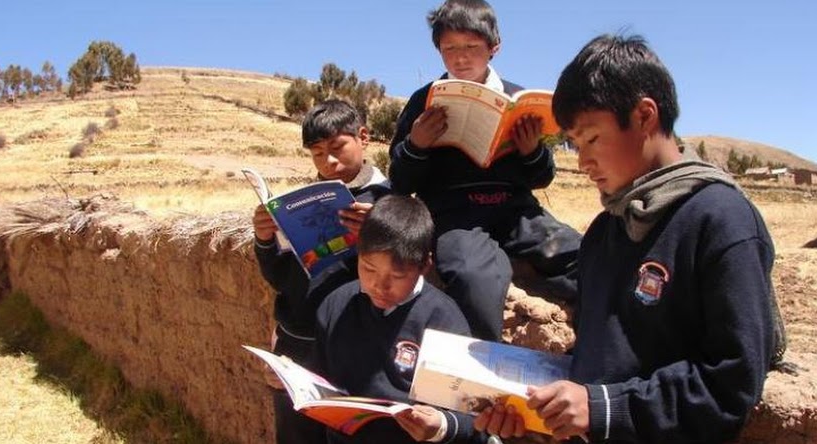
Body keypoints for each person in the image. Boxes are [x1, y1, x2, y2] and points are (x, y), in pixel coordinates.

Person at [476, 34, 778, 443]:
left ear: (643, 116)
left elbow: (730, 384)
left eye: (592, 138)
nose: (582, 161)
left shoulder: (721, 221)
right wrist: (533, 407)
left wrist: (601, 408)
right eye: (574, 144)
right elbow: (604, 359)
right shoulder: (605, 231)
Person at [388, 0, 582, 341]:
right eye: (449, 48)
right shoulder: (424, 101)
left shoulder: (519, 98)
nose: (461, 57)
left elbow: (542, 178)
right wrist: (417, 145)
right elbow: (401, 182)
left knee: (582, 254)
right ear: (438, 50)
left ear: (494, 48)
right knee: (473, 275)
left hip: (516, 211)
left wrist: (531, 151)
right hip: (454, 215)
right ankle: (488, 365)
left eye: (471, 47)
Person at [252, 99, 391, 444]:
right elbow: (281, 278)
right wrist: (265, 238)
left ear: (363, 137)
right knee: (296, 434)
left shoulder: (389, 203)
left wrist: (379, 233)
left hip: (355, 346)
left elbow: (406, 276)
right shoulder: (297, 206)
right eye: (316, 153)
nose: (328, 162)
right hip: (296, 345)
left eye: (337, 147)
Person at [312, 195, 488, 444]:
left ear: (424, 265)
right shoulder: (336, 305)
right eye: (369, 268)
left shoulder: (442, 320)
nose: (379, 286)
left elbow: (473, 416)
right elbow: (316, 380)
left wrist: (440, 426)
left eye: (397, 275)